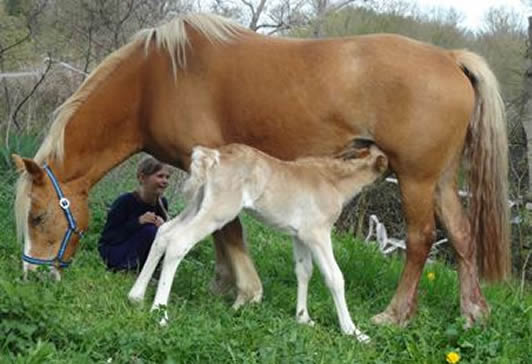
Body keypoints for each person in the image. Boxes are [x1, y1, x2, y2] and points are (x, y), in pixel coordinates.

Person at [98, 156, 170, 272]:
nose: (165, 181)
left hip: (138, 252)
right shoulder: (125, 201)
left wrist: (164, 228)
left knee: (161, 233)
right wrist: (138, 222)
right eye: (160, 176)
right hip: (115, 251)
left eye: (167, 177)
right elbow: (109, 238)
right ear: (142, 178)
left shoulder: (162, 203)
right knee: (150, 231)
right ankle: (127, 268)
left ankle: (149, 270)